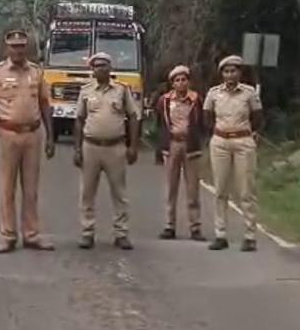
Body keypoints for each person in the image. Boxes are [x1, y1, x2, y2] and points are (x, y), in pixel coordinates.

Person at [0, 29, 56, 253]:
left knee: (31, 188)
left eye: (22, 45)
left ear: (27, 48)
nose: (18, 50)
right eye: (14, 46)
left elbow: (45, 104)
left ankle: (31, 234)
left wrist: (51, 136)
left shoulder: (36, 72)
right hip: (8, 134)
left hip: (33, 134)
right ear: (6, 48)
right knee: (7, 187)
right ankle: (8, 235)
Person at [74, 52, 140, 250]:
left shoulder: (121, 90)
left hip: (115, 147)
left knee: (119, 192)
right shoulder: (85, 91)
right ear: (92, 70)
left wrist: (133, 146)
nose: (100, 69)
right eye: (96, 66)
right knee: (87, 192)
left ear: (110, 69)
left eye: (104, 65)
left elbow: (133, 117)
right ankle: (87, 233)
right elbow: (79, 119)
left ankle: (121, 233)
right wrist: (77, 149)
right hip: (91, 146)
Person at [203, 55, 263, 252]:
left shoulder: (249, 93)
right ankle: (220, 234)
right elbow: (207, 117)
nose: (230, 75)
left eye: (234, 71)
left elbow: (258, 117)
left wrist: (249, 133)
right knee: (220, 189)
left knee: (246, 189)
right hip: (220, 141)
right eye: (227, 71)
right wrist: (216, 132)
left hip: (243, 140)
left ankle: (250, 235)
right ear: (222, 74)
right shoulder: (213, 93)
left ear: (240, 72)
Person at [155, 64, 206, 241]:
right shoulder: (165, 101)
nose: (181, 83)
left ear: (188, 82)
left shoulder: (196, 99)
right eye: (177, 80)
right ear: (172, 84)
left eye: (184, 79)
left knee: (192, 188)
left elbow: (202, 123)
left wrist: (199, 141)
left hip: (190, 145)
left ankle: (195, 226)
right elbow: (160, 124)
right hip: (172, 145)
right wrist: (160, 147)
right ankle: (169, 225)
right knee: (171, 187)